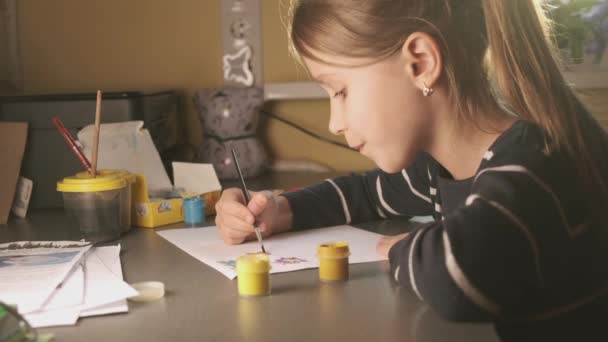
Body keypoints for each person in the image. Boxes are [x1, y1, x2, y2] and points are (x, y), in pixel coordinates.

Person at [215, 0, 608, 340]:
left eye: (340, 91)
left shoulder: (535, 165)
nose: (334, 122)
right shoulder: (437, 168)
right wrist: (281, 210)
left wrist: (405, 246)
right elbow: (367, 193)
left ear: (419, 63)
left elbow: (457, 276)